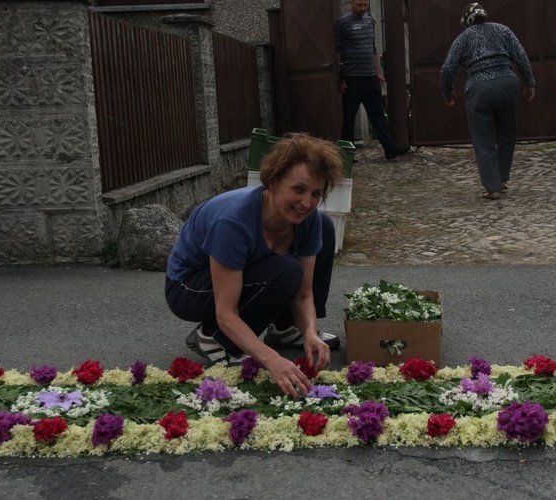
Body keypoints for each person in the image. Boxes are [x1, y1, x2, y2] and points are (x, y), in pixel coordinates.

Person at [165, 133, 342, 397]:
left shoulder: (310, 220)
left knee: (324, 228)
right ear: (272, 182)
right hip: (189, 287)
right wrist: (271, 360)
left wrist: (310, 332)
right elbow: (226, 311)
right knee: (284, 272)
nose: (307, 203)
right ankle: (212, 337)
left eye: (316, 193)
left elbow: (304, 294)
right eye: (298, 189)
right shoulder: (233, 223)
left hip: (250, 272)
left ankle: (285, 328)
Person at [440, 3, 536, 200]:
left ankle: (492, 188)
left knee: (483, 139)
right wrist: (529, 82)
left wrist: (447, 92)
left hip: (479, 89)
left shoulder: (463, 38)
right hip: (508, 85)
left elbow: (448, 68)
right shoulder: (503, 30)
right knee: (507, 134)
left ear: (466, 21)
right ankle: (501, 179)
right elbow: (521, 55)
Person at [335, 0, 409, 160]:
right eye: (359, 5)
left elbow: (373, 49)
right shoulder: (342, 23)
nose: (362, 8)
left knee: (377, 114)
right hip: (352, 77)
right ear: (351, 4)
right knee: (349, 117)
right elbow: (337, 50)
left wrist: (377, 71)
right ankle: (346, 154)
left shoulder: (370, 21)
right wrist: (339, 76)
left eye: (365, 5)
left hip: (369, 77)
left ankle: (390, 148)